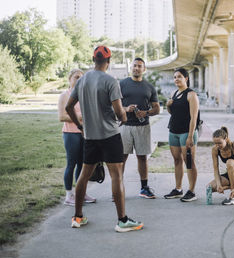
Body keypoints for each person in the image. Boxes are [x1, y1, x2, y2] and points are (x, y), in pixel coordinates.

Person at [65, 45, 144, 232]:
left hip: (90, 137)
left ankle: (77, 217)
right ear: (108, 62)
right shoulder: (110, 81)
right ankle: (122, 221)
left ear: (94, 60)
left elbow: (69, 107)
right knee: (116, 176)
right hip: (110, 135)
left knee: (84, 176)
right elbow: (118, 111)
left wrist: (79, 126)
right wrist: (124, 118)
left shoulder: (81, 81)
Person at [120, 58, 160, 199]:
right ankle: (118, 188)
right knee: (122, 158)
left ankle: (144, 188)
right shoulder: (122, 84)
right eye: (134, 66)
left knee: (142, 158)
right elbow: (114, 105)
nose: (136, 68)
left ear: (144, 69)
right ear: (131, 67)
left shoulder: (149, 87)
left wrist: (146, 112)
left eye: (139, 66)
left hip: (143, 126)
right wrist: (126, 108)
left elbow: (157, 108)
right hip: (124, 125)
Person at [57, 69, 96, 206]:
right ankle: (68, 196)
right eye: (76, 77)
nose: (79, 80)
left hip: (85, 134)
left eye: (82, 78)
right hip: (70, 134)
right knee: (71, 164)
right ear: (70, 79)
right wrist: (79, 117)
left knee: (83, 165)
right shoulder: (65, 95)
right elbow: (61, 117)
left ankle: (81, 193)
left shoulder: (84, 96)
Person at [164, 68, 199, 202]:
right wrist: (168, 106)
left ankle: (192, 191)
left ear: (186, 78)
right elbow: (173, 113)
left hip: (186, 132)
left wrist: (190, 136)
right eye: (174, 77)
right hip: (173, 131)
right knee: (177, 160)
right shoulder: (174, 93)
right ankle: (178, 189)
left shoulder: (191, 95)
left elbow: (193, 118)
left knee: (189, 162)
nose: (176, 79)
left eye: (179, 76)